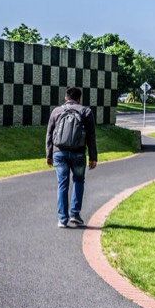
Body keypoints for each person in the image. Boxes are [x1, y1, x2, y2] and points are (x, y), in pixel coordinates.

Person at [45, 87, 97, 228]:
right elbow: (91, 137)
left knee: (62, 184)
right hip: (79, 153)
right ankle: (75, 214)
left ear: (66, 97)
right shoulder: (86, 112)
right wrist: (93, 157)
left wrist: (48, 154)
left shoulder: (57, 111)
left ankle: (62, 219)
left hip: (59, 152)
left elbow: (49, 134)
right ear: (79, 98)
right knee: (79, 181)